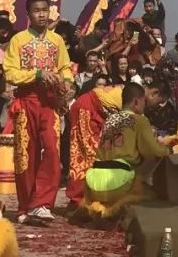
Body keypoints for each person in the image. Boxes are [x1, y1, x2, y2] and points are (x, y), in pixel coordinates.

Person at [3, 0, 73, 224]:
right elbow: (11, 73)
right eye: (37, 10)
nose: (42, 14)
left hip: (49, 104)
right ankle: (25, 206)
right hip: (26, 102)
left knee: (52, 149)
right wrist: (38, 74)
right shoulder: (18, 40)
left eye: (45, 10)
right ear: (28, 14)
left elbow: (65, 67)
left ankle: (42, 203)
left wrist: (67, 83)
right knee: (26, 155)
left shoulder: (57, 41)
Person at [66, 77, 166, 207]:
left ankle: (89, 197)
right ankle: (78, 199)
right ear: (154, 93)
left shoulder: (123, 106)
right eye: (159, 102)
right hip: (87, 108)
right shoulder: (133, 102)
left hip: (96, 112)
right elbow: (141, 131)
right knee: (86, 155)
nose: (156, 106)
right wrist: (165, 148)